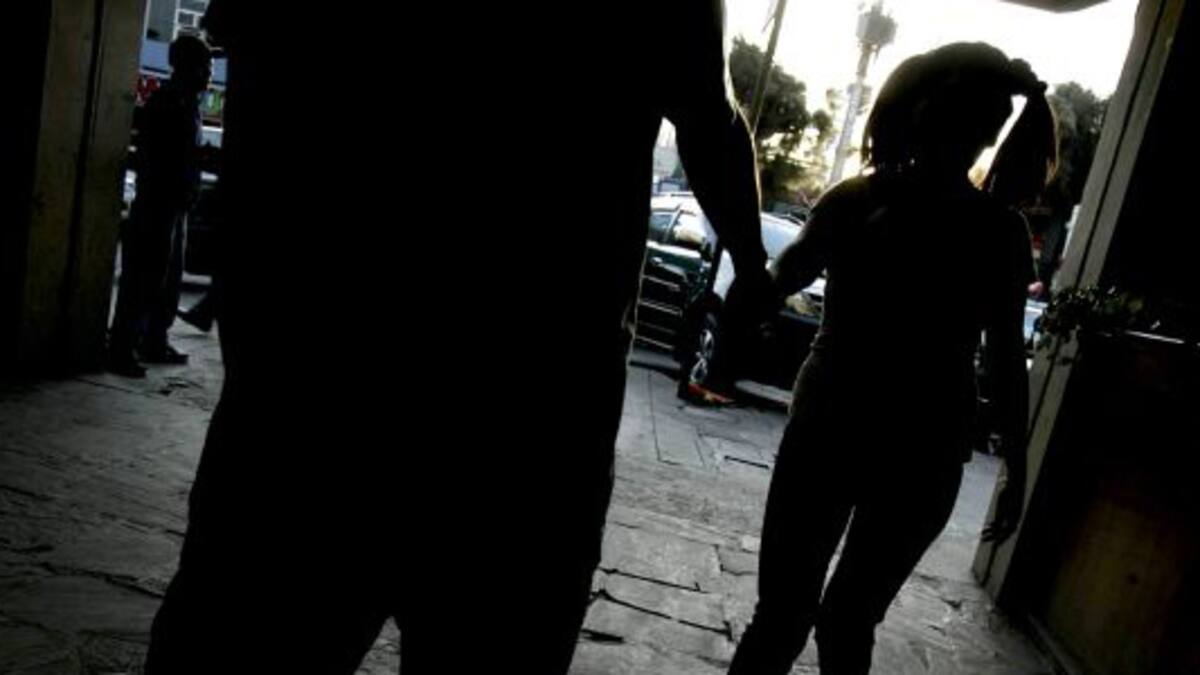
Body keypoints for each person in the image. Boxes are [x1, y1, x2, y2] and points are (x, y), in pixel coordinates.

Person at [144, 2, 775, 674]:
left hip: (326, 372)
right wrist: (752, 267)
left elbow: (257, 73)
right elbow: (710, 121)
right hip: (531, 408)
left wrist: (261, 334)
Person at [727, 42, 1056, 675]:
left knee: (781, 619)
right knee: (849, 624)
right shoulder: (999, 232)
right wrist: (1015, 466)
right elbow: (1004, 364)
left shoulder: (856, 200)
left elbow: (774, 283)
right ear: (991, 131)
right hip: (927, 447)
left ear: (918, 112)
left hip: (829, 425)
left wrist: (745, 257)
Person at [108, 35, 212, 377]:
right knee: (143, 278)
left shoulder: (188, 104)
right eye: (205, 67)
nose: (209, 74)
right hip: (158, 204)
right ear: (187, 67)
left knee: (167, 280)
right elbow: (158, 155)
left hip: (175, 205)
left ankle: (154, 339)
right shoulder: (167, 102)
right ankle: (122, 347)